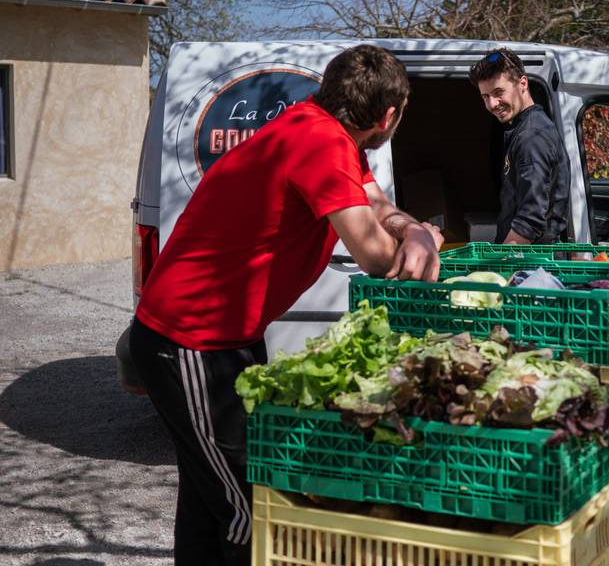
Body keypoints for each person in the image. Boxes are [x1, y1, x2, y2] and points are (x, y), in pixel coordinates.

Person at [129, 44, 441, 566]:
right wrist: (426, 239)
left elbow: (379, 206)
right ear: (389, 116)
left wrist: (411, 228)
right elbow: (372, 254)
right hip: (188, 344)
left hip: (228, 341)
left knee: (209, 502)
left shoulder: (324, 133)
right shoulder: (319, 143)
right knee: (251, 510)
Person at [469, 47, 570, 244]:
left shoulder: (531, 136)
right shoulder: (523, 129)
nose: (491, 104)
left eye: (498, 92)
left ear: (522, 83)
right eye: (485, 96)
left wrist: (501, 266)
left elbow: (529, 222)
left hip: (532, 266)